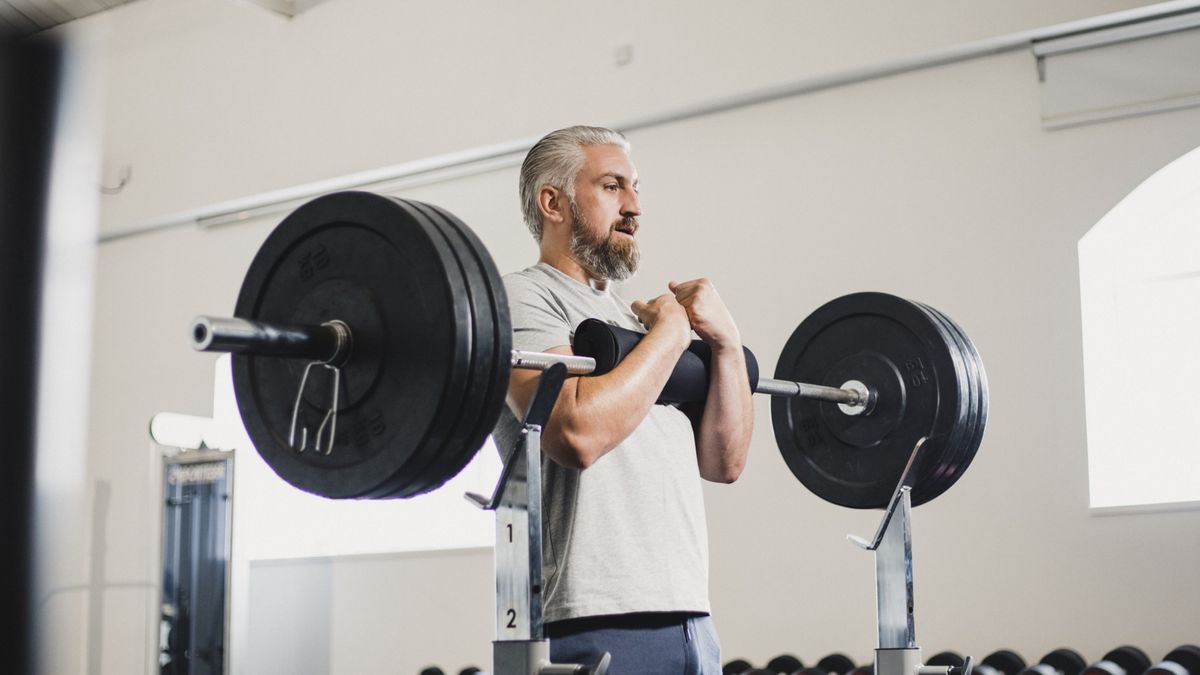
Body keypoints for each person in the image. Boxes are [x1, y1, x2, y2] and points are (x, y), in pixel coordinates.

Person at [493, 125, 753, 675]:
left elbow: (725, 463)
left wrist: (726, 345)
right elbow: (574, 434)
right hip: (591, 618)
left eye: (636, 188)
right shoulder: (522, 296)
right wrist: (671, 334)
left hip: (692, 619)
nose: (635, 206)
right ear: (552, 202)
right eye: (613, 186)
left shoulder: (641, 323)